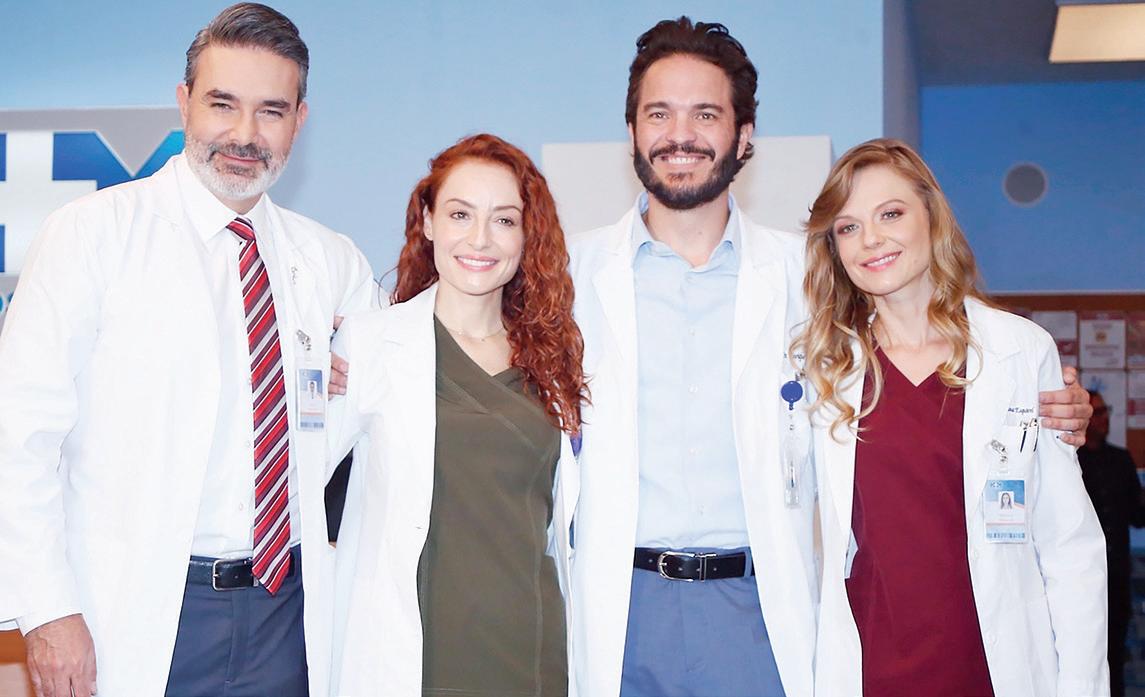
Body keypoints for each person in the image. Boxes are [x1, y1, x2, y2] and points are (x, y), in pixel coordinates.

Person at [560, 18, 1095, 697]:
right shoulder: (570, 276)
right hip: (621, 604)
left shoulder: (809, 279)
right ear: (633, 131)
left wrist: (1047, 399)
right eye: (658, 113)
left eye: (706, 114)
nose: (679, 134)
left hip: (760, 610)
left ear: (743, 137)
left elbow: (924, 334)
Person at [0, 4, 376, 696]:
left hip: (286, 615)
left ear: (299, 120)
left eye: (270, 111)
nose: (244, 134)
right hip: (141, 611)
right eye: (222, 104)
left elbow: (372, 417)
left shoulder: (332, 263)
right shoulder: (92, 236)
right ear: (183, 103)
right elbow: (18, 436)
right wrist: (48, 610)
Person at [800, 138, 1108, 697]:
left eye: (890, 214)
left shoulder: (1019, 351)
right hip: (871, 666)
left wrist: (1081, 684)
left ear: (931, 216)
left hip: (994, 665)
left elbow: (1068, 543)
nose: (870, 239)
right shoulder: (823, 366)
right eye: (847, 227)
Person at [327, 134, 587, 696]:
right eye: (460, 214)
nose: (480, 239)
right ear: (427, 222)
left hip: (530, 649)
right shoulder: (370, 345)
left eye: (504, 220)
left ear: (527, 234)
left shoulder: (556, 357)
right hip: (415, 655)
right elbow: (294, 490)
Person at [1079, 391, 1144, 697]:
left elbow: (1137, 516)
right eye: (1099, 412)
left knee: (1115, 655)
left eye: (1106, 411)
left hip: (1116, 576)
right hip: (1080, 579)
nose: (1105, 418)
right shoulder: (1070, 460)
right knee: (1084, 654)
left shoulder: (1121, 460)